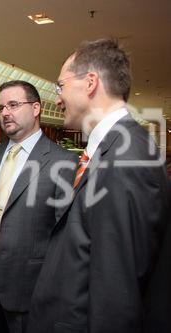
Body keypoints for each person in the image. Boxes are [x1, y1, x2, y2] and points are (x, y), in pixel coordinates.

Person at [28, 38, 170, 333]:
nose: (57, 98)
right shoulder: (114, 148)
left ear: (90, 82)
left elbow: (117, 293)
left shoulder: (126, 159)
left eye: (60, 86)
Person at [0, 80, 77, 333]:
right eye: (1, 107)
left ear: (36, 108)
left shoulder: (62, 161)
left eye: (13, 105)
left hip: (31, 278)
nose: (5, 113)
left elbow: (64, 233)